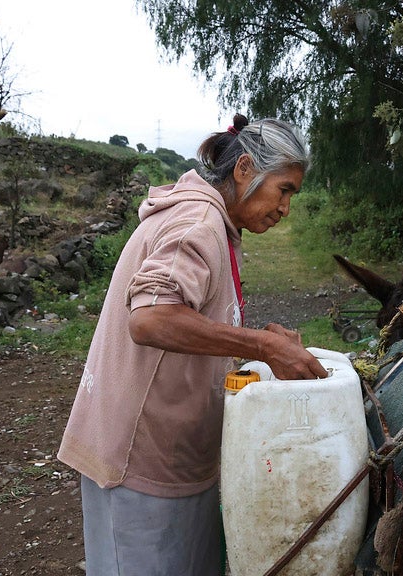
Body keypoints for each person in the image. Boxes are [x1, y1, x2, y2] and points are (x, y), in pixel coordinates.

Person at [57, 113, 328, 576]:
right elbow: (151, 318)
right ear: (244, 169)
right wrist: (262, 347)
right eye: (284, 190)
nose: (286, 209)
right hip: (138, 458)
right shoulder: (197, 221)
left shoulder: (216, 225)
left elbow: (192, 314)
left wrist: (259, 339)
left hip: (176, 455)